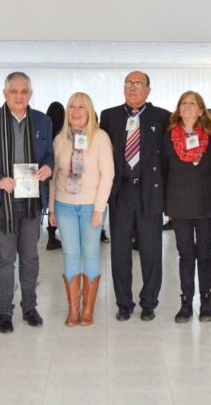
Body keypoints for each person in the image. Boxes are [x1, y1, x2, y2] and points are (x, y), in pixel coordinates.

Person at [0, 71, 54, 333]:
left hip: (31, 201)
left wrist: (47, 168)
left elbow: (50, 155)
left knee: (30, 257)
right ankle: (5, 312)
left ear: (30, 94)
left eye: (24, 92)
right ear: (5, 93)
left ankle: (29, 307)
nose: (19, 96)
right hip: (1, 201)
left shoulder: (42, 121)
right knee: (4, 258)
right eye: (14, 91)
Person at [100, 70, 170, 321]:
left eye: (138, 84)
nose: (133, 87)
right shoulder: (108, 117)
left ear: (148, 89)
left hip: (149, 192)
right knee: (119, 251)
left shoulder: (163, 117)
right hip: (121, 192)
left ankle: (149, 302)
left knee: (151, 251)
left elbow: (168, 161)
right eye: (129, 83)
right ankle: (124, 303)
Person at [49, 92, 114, 326]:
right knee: (70, 255)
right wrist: (52, 209)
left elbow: (108, 174)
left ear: (89, 111)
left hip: (90, 207)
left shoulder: (100, 138)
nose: (75, 111)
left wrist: (99, 209)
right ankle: (73, 309)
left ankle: (88, 309)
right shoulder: (60, 140)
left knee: (90, 254)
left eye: (81, 107)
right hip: (64, 205)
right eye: (71, 107)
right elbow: (55, 176)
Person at [164, 91, 211, 323]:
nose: (187, 107)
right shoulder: (168, 136)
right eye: (183, 103)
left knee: (205, 254)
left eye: (192, 103)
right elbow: (164, 168)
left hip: (206, 202)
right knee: (185, 254)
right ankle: (186, 302)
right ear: (178, 108)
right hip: (179, 203)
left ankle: (206, 302)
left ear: (200, 110)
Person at [45, 101, 65, 250]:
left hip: (45, 174)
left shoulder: (45, 130)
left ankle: (51, 238)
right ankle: (55, 236)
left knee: (50, 206)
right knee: (57, 206)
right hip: (58, 176)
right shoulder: (62, 134)